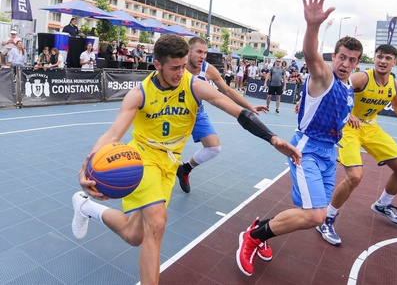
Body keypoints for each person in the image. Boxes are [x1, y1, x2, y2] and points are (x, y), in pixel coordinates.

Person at [72, 34, 301, 285]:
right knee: (158, 223)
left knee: (134, 234)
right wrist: (87, 166)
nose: (181, 72)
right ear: (157, 65)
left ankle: (86, 207)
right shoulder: (139, 94)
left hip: (169, 165)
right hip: (142, 160)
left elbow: (236, 111)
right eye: (174, 68)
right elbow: (113, 134)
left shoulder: (193, 85)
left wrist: (273, 138)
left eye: (183, 66)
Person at [236, 0, 362, 276]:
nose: (346, 63)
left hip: (329, 153)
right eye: (342, 57)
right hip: (306, 149)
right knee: (316, 215)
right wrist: (312, 26)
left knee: (312, 214)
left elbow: (337, 107)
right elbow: (310, 55)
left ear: (357, 62)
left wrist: (349, 117)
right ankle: (253, 237)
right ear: (334, 56)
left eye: (352, 59)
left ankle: (259, 229)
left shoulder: (347, 88)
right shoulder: (325, 75)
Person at [316, 44, 397, 246]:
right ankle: (326, 218)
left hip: (371, 128)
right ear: (374, 59)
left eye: (388, 58)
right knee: (355, 176)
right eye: (379, 57)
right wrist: (346, 112)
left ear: (395, 62)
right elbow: (334, 87)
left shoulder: (394, 84)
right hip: (348, 127)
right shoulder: (362, 78)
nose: (383, 61)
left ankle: (382, 205)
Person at [175, 37, 268, 193]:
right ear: (188, 52)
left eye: (205, 52)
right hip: (173, 113)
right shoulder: (177, 66)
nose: (202, 56)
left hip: (196, 112)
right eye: (198, 52)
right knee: (165, 150)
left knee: (214, 148)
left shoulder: (208, 69)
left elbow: (227, 91)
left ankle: (185, 169)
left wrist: (248, 106)